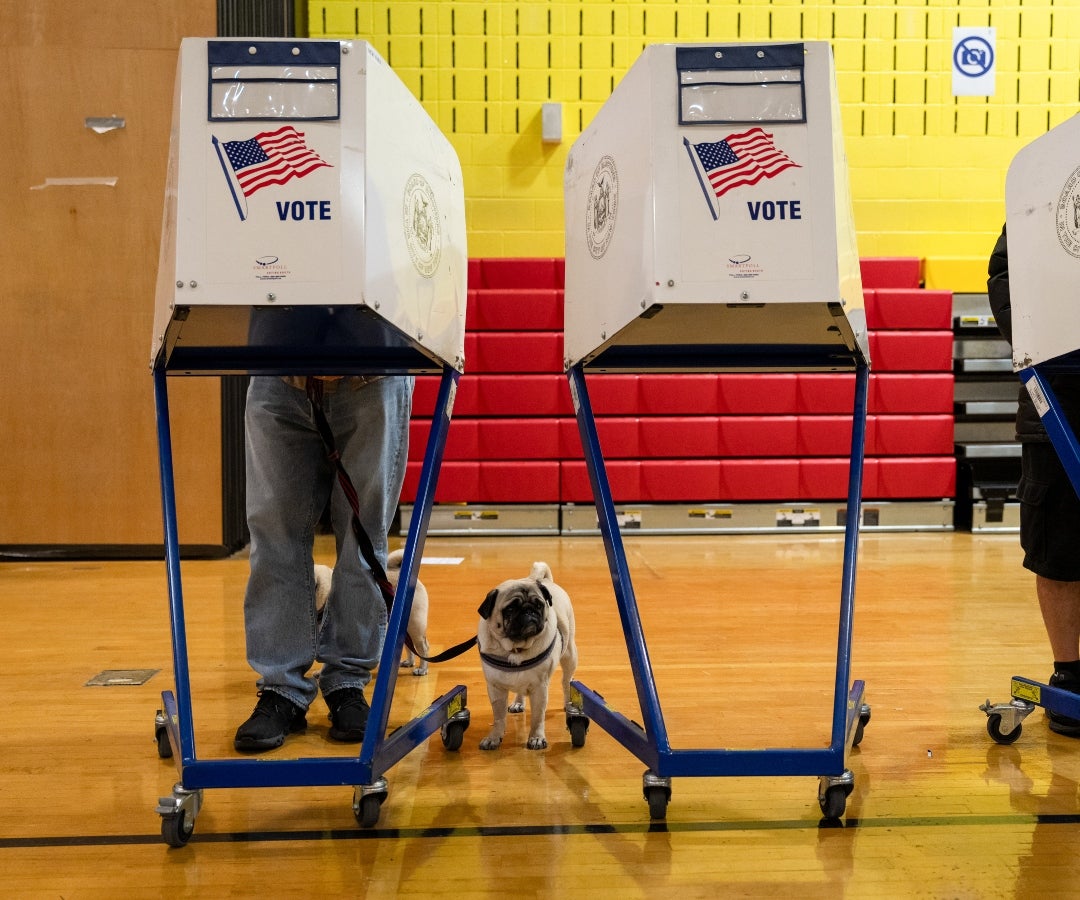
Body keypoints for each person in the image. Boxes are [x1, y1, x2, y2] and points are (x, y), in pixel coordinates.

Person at [233, 373, 413, 752]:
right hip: (277, 370)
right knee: (272, 535)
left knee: (362, 536)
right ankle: (281, 688)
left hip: (373, 372)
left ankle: (347, 681)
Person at [988, 223, 1080, 737]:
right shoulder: (1045, 183)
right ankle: (1070, 672)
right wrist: (1045, 342)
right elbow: (1004, 277)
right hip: (1057, 396)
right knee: (1057, 546)